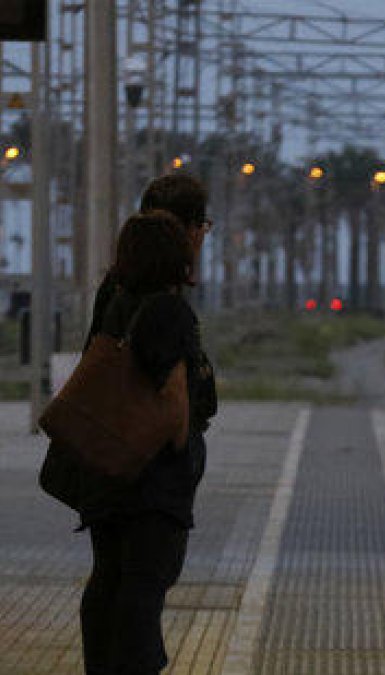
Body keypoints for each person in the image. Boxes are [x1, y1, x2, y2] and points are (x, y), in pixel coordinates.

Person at [76, 175, 217, 675]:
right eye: (201, 225)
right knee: (142, 588)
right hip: (152, 481)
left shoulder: (114, 291)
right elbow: (176, 409)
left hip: (107, 467)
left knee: (111, 579)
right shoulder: (169, 309)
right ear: (187, 232)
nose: (202, 237)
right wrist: (177, 450)